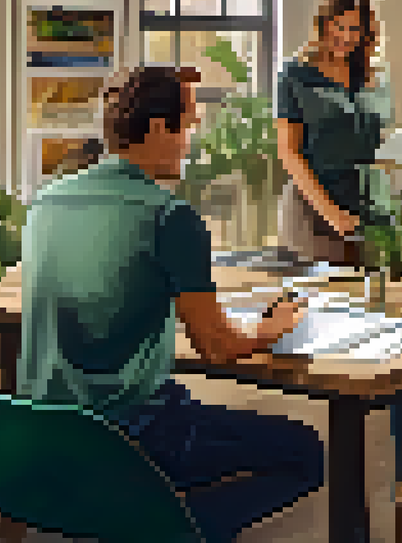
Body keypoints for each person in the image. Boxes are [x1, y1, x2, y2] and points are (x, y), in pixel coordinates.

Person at [16, 66, 323, 543]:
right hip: (131, 435)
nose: (190, 143)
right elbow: (217, 347)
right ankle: (170, 531)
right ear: (160, 128)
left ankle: (148, 519)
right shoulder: (169, 216)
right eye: (189, 125)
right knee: (306, 452)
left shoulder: (46, 203)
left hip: (45, 435)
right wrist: (270, 329)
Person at [273, 0, 402, 487]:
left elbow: (386, 146)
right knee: (329, 320)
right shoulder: (295, 74)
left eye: (354, 30)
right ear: (323, 24)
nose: (345, 38)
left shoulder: (375, 79)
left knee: (396, 315)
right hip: (314, 209)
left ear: (366, 32)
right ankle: (335, 440)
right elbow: (290, 154)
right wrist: (332, 213)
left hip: (370, 209)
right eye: (338, 28)